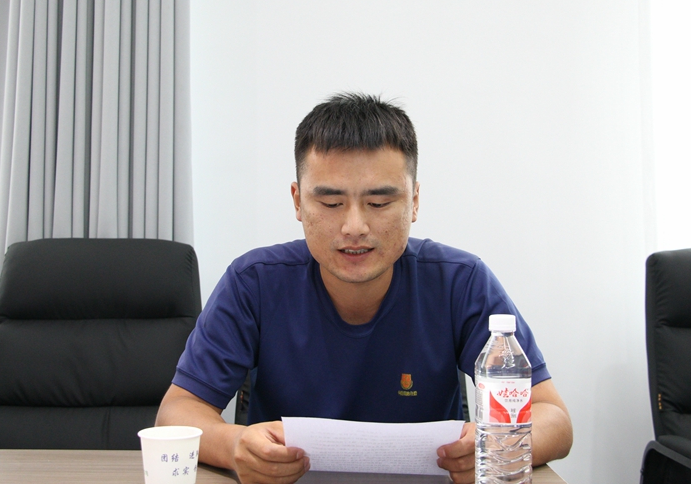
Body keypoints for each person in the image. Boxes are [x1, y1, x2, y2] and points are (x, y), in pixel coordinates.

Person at [156, 93, 573, 484]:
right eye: (331, 203)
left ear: (414, 201)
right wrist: (234, 446)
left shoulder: (459, 282)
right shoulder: (255, 282)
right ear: (298, 201)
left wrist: (492, 447)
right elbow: (178, 411)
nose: (354, 227)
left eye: (378, 203)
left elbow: (553, 417)